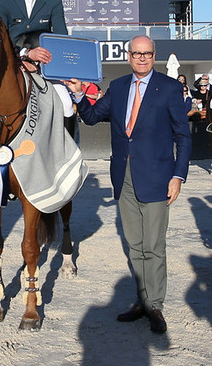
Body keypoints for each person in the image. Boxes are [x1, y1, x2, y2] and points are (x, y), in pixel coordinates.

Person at [65, 35, 191, 335]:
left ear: (154, 55)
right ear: (129, 56)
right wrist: (80, 95)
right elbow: (94, 117)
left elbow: (183, 138)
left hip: (159, 177)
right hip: (123, 176)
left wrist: (178, 176)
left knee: (154, 245)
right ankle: (141, 300)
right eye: (137, 53)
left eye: (147, 54)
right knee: (135, 245)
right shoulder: (119, 87)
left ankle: (155, 304)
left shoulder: (170, 88)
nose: (142, 58)